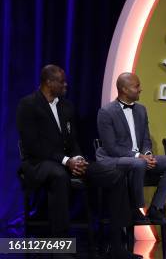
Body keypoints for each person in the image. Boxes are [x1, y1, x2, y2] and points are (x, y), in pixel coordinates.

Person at [16, 64, 139, 259]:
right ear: (49, 83)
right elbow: (33, 146)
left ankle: (117, 245)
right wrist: (66, 161)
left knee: (113, 174)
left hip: (67, 161)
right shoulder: (28, 105)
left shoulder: (67, 106)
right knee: (58, 175)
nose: (66, 85)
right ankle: (60, 248)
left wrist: (78, 158)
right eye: (61, 81)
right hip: (38, 163)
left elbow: (73, 141)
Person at [96, 73, 166, 224]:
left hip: (139, 159)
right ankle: (135, 208)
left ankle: (155, 207)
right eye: (136, 86)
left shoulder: (141, 110)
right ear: (124, 89)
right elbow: (111, 148)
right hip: (114, 159)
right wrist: (138, 157)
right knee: (139, 163)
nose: (140, 89)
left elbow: (145, 140)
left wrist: (147, 153)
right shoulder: (106, 112)